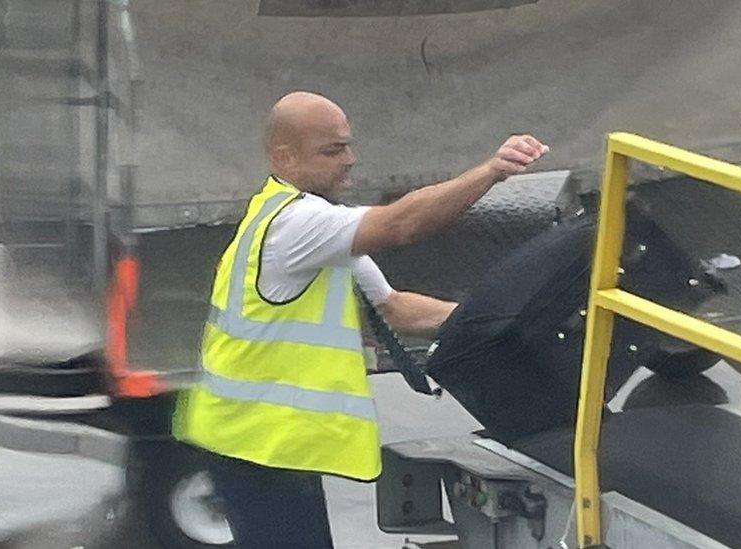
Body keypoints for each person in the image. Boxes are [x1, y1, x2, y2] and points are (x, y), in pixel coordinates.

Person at [174, 91, 548, 548]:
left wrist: (513, 319)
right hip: (258, 449)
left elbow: (395, 308)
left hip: (258, 443)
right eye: (332, 151)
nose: (350, 160)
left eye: (348, 145)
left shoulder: (304, 221)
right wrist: (492, 171)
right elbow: (400, 225)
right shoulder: (298, 224)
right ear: (284, 158)